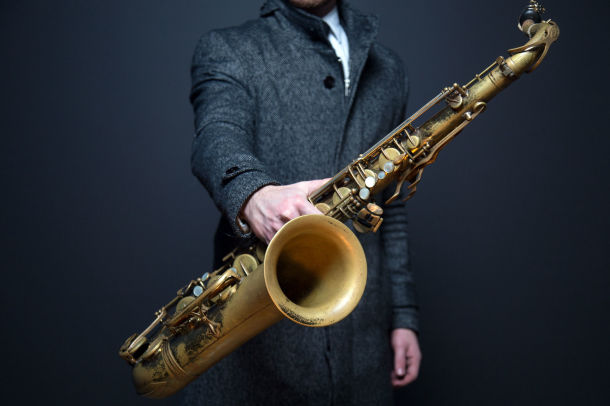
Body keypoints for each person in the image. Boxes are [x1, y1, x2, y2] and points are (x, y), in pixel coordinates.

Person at [186, 0, 420, 404]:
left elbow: (390, 207)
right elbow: (215, 136)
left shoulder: (390, 69)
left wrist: (403, 317)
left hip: (363, 351)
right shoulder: (227, 48)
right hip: (259, 356)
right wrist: (253, 195)